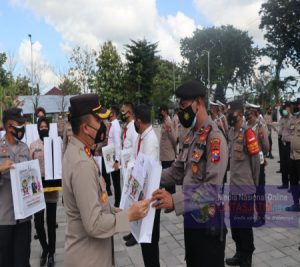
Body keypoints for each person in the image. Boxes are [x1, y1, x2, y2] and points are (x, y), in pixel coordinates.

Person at [62, 94, 150, 267]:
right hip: (89, 258)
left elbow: (92, 201)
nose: (104, 125)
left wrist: (113, 210)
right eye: (99, 121)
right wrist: (128, 216)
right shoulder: (82, 164)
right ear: (86, 128)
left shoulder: (78, 151)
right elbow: (93, 224)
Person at [152, 80, 228, 267]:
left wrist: (174, 200)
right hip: (191, 218)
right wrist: (150, 176)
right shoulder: (192, 136)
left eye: (184, 106)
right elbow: (176, 171)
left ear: (198, 103)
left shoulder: (214, 138)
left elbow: (211, 189)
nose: (181, 112)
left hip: (207, 224)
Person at [225, 100, 260, 267]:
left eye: (231, 113)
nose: (229, 116)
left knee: (244, 226)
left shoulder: (248, 133)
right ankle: (239, 253)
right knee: (235, 225)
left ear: (239, 115)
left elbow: (255, 163)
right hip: (233, 188)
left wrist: (253, 184)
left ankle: (247, 257)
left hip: (245, 189)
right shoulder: (231, 133)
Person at [0, 108, 31, 267]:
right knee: (6, 261)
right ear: (9, 126)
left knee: (22, 260)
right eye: (19, 123)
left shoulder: (25, 148)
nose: (22, 126)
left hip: (24, 217)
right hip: (4, 217)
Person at [133, 104, 161, 267]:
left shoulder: (150, 141)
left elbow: (146, 173)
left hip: (149, 198)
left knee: (150, 243)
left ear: (138, 120)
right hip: (142, 196)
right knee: (145, 243)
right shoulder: (142, 137)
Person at [30, 117, 59, 267]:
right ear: (37, 128)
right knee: (39, 223)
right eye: (40, 127)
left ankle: (52, 254)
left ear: (49, 128)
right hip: (37, 189)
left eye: (45, 126)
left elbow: (58, 165)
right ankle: (45, 249)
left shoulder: (54, 144)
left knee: (51, 222)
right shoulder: (33, 145)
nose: (43, 129)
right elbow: (29, 167)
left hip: (52, 190)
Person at [245, 104, 269, 227]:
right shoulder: (246, 126)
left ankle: (261, 216)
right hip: (247, 163)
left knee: (259, 190)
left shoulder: (260, 126)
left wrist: (262, 156)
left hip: (258, 162)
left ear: (253, 113)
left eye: (249, 112)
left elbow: (266, 146)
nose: (247, 114)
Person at [120, 102, 139, 247]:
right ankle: (131, 230)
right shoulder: (127, 127)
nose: (122, 114)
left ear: (130, 113)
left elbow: (134, 149)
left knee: (133, 201)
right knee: (128, 200)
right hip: (125, 168)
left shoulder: (133, 128)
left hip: (131, 169)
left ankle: (135, 234)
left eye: (124, 112)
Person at [102, 105, 122, 207]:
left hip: (114, 157)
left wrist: (117, 160)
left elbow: (118, 144)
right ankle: (117, 201)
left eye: (109, 112)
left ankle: (118, 202)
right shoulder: (111, 125)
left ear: (113, 113)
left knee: (116, 182)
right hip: (110, 155)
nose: (107, 113)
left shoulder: (115, 126)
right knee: (114, 181)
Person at [159, 105, 177, 213]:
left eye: (161, 110)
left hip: (168, 155)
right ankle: (169, 202)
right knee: (167, 179)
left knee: (169, 180)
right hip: (165, 155)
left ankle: (171, 203)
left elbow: (174, 139)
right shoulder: (165, 121)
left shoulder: (168, 122)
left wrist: (174, 152)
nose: (160, 112)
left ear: (165, 111)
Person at [286, 98, 300, 211]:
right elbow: (285, 133)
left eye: (299, 105)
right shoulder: (293, 119)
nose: (297, 107)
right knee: (293, 181)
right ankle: (296, 203)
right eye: (296, 105)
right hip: (292, 156)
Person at [278, 103, 293, 189]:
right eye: (284, 109)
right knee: (283, 164)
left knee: (290, 165)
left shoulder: (293, 119)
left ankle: (292, 185)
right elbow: (280, 131)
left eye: (286, 109)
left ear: (290, 109)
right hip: (283, 144)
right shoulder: (282, 119)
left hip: (290, 144)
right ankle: (285, 184)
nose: (284, 111)